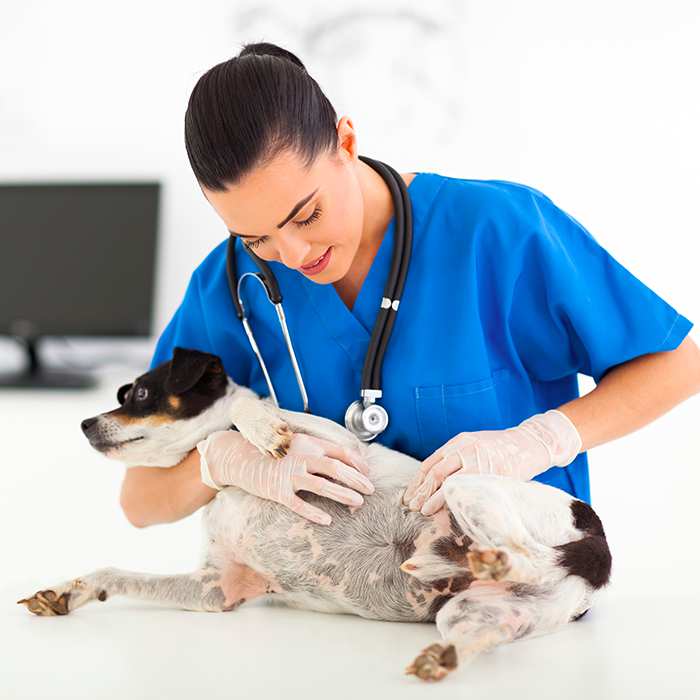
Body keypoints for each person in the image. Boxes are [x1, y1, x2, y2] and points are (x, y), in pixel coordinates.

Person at [119, 41, 700, 530]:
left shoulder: (495, 230)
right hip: (320, 619)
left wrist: (542, 439)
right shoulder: (230, 288)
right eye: (257, 237)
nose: (292, 256)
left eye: (306, 215)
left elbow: (678, 364)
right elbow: (139, 500)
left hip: (509, 600)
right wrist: (221, 462)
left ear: (346, 141)